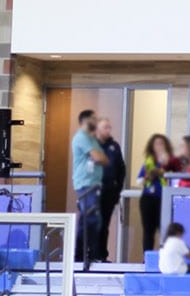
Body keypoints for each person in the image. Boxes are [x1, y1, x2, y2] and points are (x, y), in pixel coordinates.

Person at [72, 109, 110, 267]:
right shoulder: (81, 137)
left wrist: (101, 158)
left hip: (94, 184)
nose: (96, 121)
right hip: (85, 185)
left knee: (90, 220)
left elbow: (105, 160)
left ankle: (84, 255)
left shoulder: (92, 139)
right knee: (91, 220)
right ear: (85, 120)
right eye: (93, 119)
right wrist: (100, 158)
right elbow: (98, 157)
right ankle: (85, 255)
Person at [137, 135, 176, 254]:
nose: (159, 146)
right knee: (148, 230)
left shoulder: (171, 162)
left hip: (165, 198)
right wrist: (148, 176)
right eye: (156, 144)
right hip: (148, 198)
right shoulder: (149, 162)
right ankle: (147, 259)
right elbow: (139, 180)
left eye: (161, 143)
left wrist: (162, 172)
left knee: (165, 230)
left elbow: (175, 179)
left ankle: (166, 256)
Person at [96, 116, 127, 264]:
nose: (108, 130)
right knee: (92, 223)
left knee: (104, 225)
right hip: (93, 191)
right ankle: (89, 254)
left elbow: (121, 169)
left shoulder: (114, 146)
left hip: (109, 192)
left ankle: (101, 255)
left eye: (109, 127)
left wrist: (117, 190)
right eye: (105, 127)